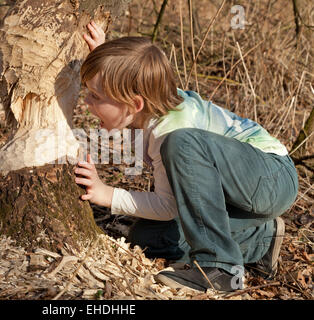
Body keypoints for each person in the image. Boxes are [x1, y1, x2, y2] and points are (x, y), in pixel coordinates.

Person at [74, 21, 298, 292]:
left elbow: (167, 205)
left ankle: (220, 268)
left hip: (271, 176)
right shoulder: (148, 105)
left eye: (96, 96)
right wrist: (104, 57)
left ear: (135, 103)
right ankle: (261, 239)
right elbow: (135, 77)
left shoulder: (173, 129)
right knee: (148, 239)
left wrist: (107, 194)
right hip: (239, 195)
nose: (87, 102)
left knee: (182, 142)